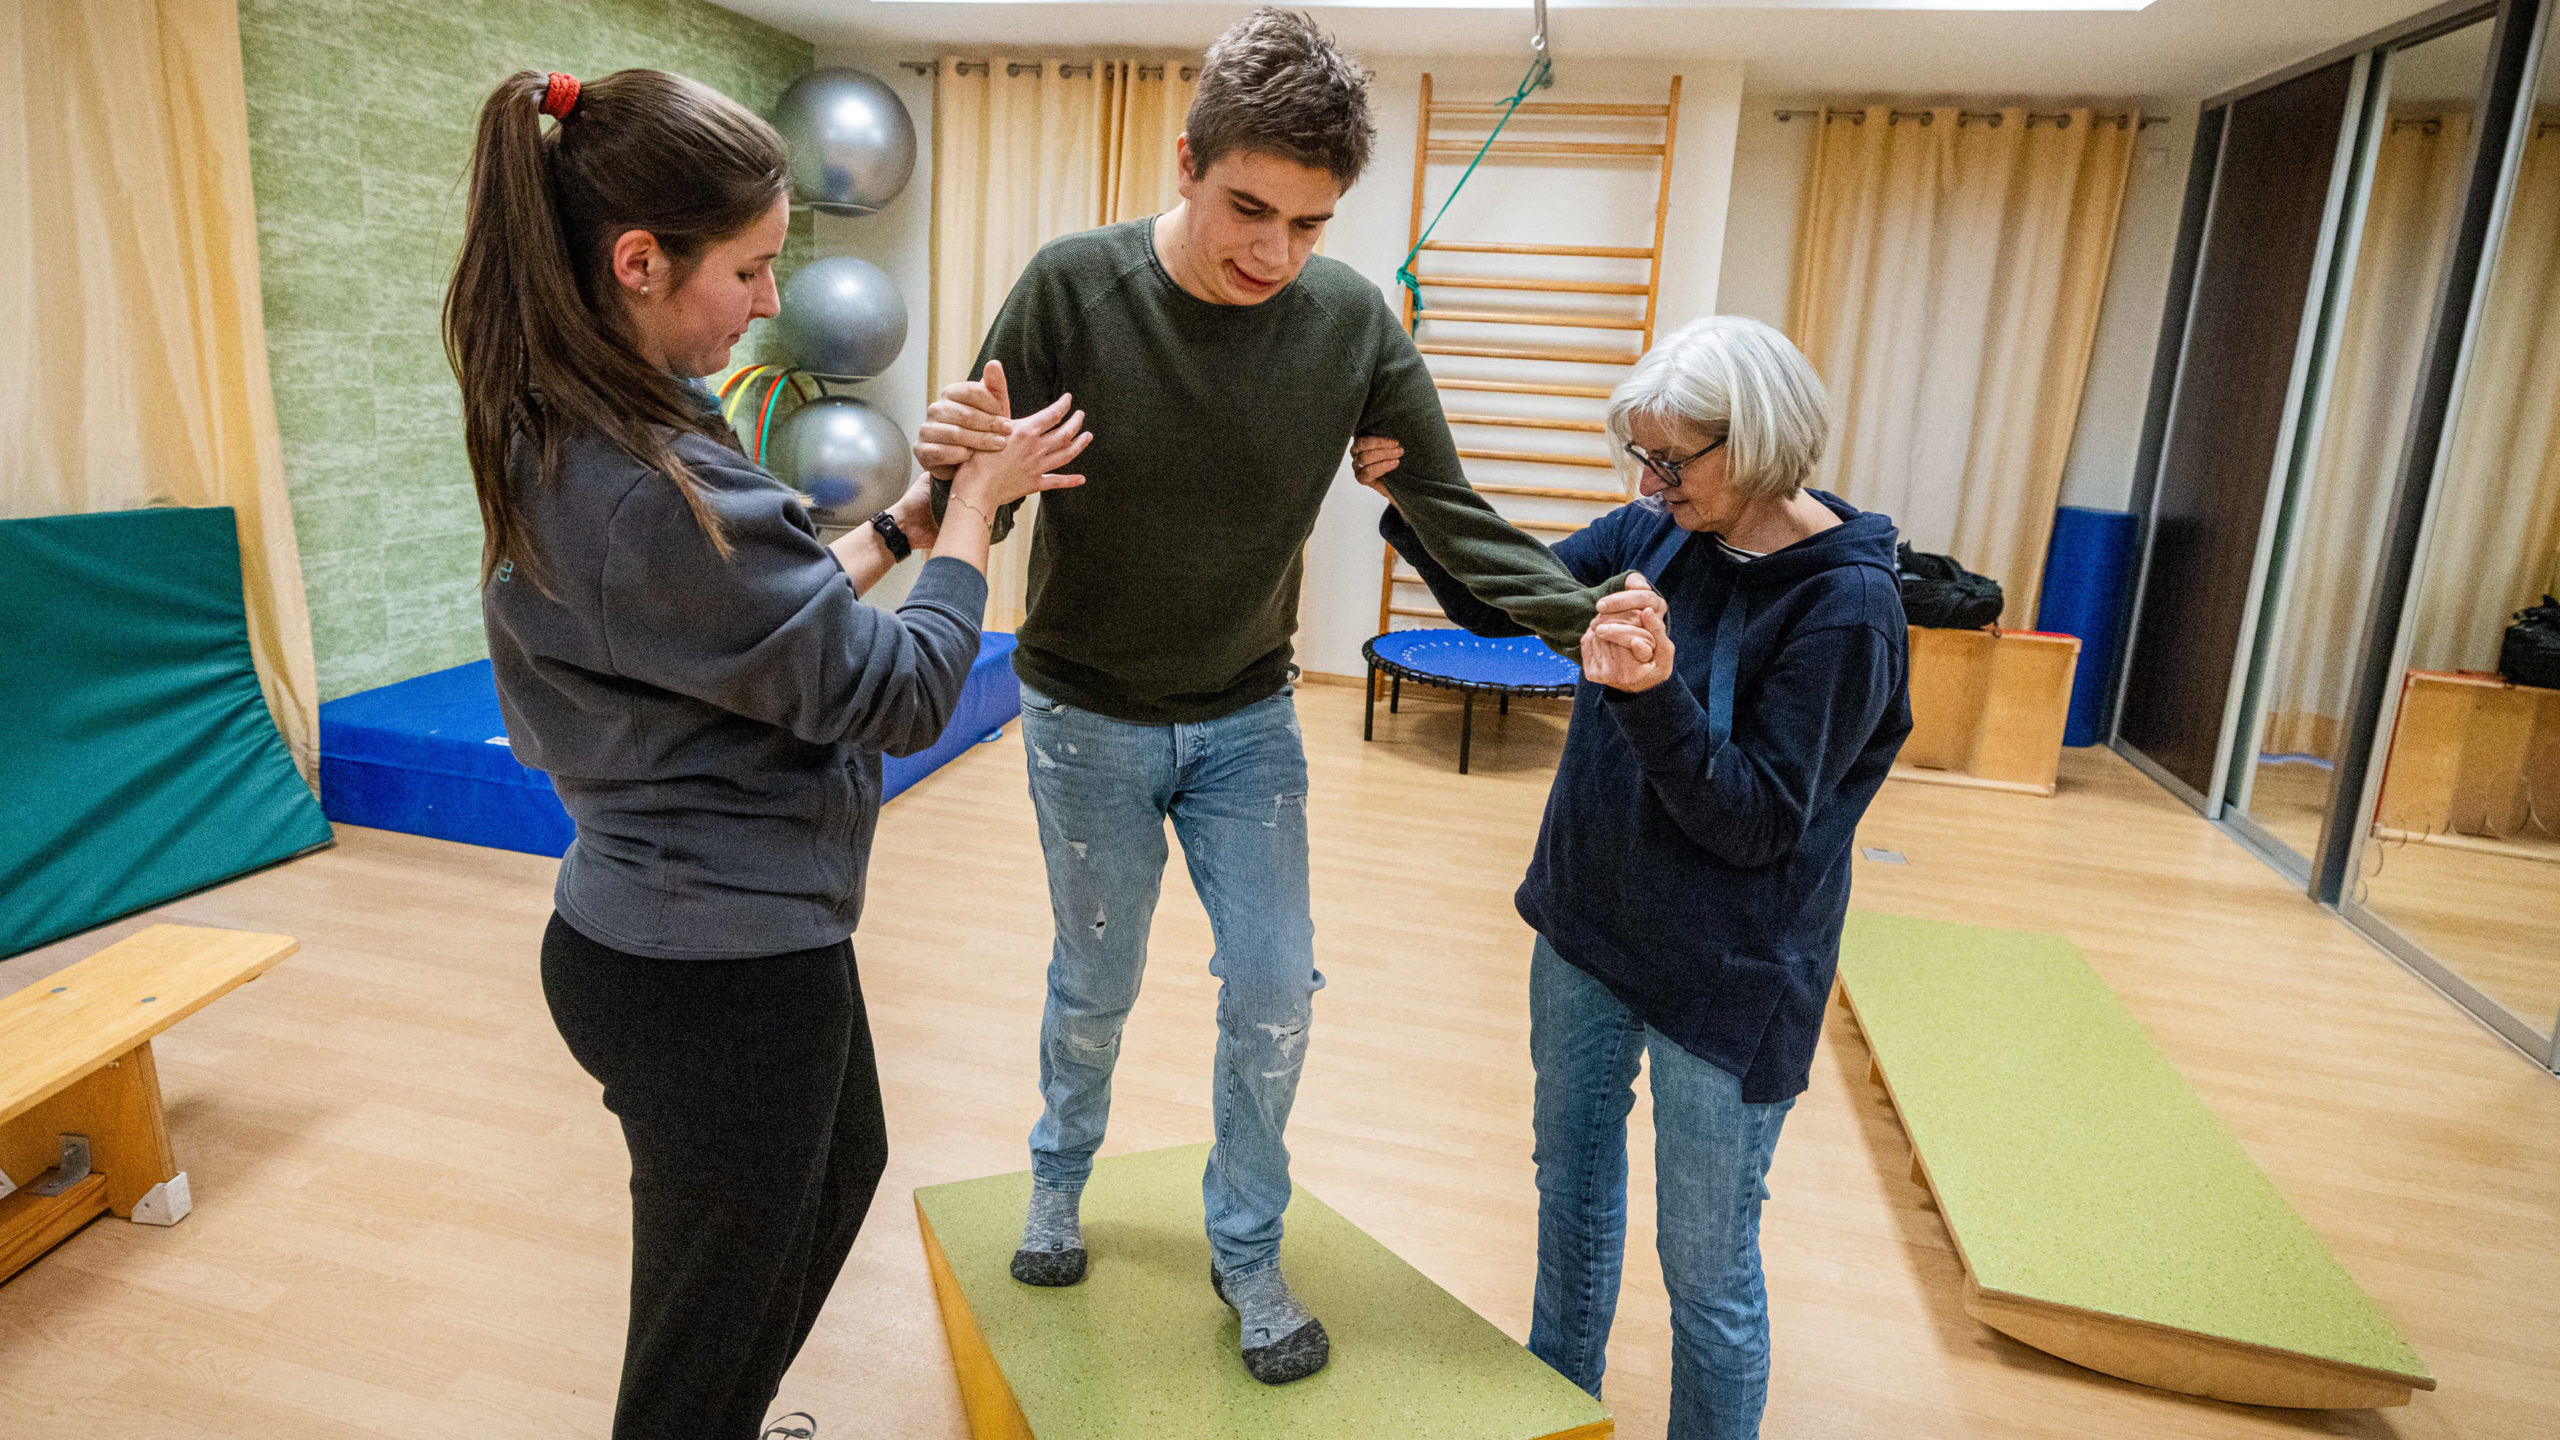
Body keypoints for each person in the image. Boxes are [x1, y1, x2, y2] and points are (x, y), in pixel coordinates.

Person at [911, 8, 1623, 1386]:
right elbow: (974, 492)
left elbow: (1451, 513)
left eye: (1308, 224)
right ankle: (1058, 1179)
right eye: (1249, 209)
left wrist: (1588, 623)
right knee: (1097, 979)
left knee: (1277, 983)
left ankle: (1245, 1249)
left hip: (1248, 718)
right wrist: (945, 471)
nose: (1275, 253)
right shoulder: (1074, 289)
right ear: (1187, 161)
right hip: (1085, 714)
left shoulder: (1348, 321)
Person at [445, 67, 1092, 1440]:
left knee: (836, 1173)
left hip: (704, 938)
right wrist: (978, 515)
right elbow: (904, 691)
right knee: (702, 1336)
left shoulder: (599, 418)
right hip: (710, 971)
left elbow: (760, 623)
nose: (765, 301)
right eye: (745, 269)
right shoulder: (641, 485)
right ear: (639, 262)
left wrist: (914, 519)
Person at [1356, 315, 1912, 1440]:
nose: (1649, 483)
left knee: (1706, 1272)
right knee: (1569, 1194)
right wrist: (1414, 495)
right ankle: (1559, 1410)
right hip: (1587, 931)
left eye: (1673, 460)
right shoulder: (1656, 531)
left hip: (1729, 977)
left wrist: (1654, 695)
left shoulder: (1847, 609)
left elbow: (1755, 822)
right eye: (1641, 457)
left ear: (1756, 441)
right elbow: (1503, 602)